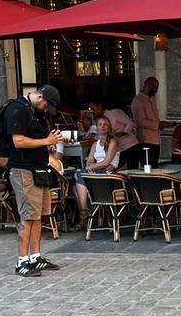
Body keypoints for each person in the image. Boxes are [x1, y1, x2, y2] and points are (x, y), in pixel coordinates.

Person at [7, 85, 65, 277]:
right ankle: (22, 261)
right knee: (28, 216)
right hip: (24, 170)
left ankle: (36, 257)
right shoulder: (18, 109)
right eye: (47, 105)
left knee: (39, 214)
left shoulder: (36, 112)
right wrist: (47, 141)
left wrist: (51, 141)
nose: (47, 109)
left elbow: (39, 139)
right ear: (40, 97)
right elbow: (19, 141)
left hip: (39, 169)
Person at [73, 115, 121, 219]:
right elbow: (89, 161)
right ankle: (84, 210)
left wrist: (92, 167)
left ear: (109, 128)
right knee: (78, 177)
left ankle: (84, 213)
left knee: (78, 178)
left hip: (109, 173)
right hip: (97, 171)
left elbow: (106, 162)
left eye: (105, 125)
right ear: (97, 127)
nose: (102, 126)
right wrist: (91, 166)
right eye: (100, 124)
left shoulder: (113, 142)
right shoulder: (95, 143)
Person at [130, 77, 161, 161]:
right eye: (155, 87)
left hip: (155, 140)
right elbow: (140, 121)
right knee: (148, 167)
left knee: (154, 167)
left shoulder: (152, 100)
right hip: (145, 140)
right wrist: (158, 124)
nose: (156, 90)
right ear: (148, 85)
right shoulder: (138, 100)